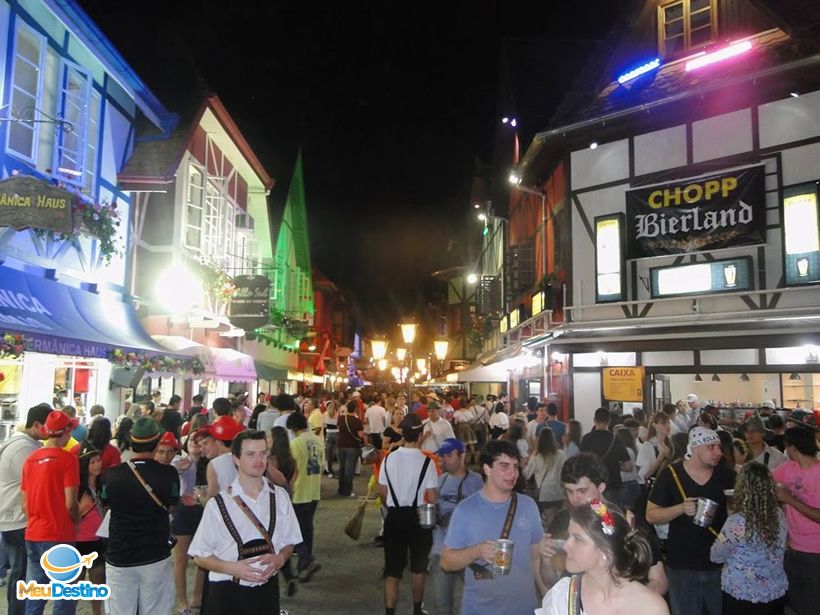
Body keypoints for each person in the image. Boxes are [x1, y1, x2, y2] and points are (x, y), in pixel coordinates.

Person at [188, 430, 303, 615]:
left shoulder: (280, 497)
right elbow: (200, 555)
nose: (259, 460)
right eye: (250, 454)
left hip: (267, 592)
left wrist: (281, 558)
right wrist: (232, 568)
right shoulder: (218, 504)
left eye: (263, 453)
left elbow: (289, 540)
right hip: (227, 593)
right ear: (236, 459)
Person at [540, 453, 668, 596]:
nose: (575, 498)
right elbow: (551, 582)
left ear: (601, 487)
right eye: (569, 491)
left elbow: (659, 581)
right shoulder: (562, 520)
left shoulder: (628, 521)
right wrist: (545, 559)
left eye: (582, 490)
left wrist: (627, 600)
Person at [441, 440, 545, 615]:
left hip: (524, 608)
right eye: (504, 466)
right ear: (487, 469)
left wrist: (547, 594)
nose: (512, 473)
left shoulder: (528, 506)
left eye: (515, 466)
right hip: (479, 609)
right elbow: (446, 562)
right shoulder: (466, 510)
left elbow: (536, 558)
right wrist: (477, 552)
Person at [646, 427, 735, 615]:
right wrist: (680, 508)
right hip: (682, 565)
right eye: (711, 447)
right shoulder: (671, 475)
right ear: (694, 448)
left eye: (719, 447)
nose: (718, 452)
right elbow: (651, 515)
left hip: (720, 563)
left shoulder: (727, 476)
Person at [102, 417, 179, 615]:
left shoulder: (112, 474)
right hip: (155, 554)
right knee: (156, 610)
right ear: (157, 443)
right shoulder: (168, 474)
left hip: (119, 555)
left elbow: (106, 503)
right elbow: (172, 503)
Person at [540, 500, 669, 615]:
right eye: (569, 536)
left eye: (577, 539)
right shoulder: (563, 596)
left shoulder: (649, 607)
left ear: (606, 552)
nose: (566, 546)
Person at [376, 414, 438, 615]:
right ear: (420, 435)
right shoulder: (427, 463)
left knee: (392, 571)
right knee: (419, 569)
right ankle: (417, 610)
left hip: (394, 518)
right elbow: (433, 496)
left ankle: (389, 612)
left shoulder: (389, 459)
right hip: (419, 517)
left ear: (403, 433)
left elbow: (382, 491)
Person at [21, 410, 80, 615]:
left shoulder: (30, 459)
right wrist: (76, 521)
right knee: (64, 595)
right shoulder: (68, 460)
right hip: (60, 534)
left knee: (35, 593)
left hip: (34, 534)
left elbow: (24, 505)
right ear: (66, 432)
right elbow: (71, 503)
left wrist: (36, 523)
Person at [709, 462, 787, 615]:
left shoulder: (738, 522)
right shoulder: (779, 515)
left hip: (744, 593)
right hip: (775, 589)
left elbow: (715, 555)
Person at [0, 403, 50, 615]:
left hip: (12, 518)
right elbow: (34, 485)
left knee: (20, 572)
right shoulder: (25, 448)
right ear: (38, 424)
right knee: (21, 574)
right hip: (18, 520)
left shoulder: (20, 443)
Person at [430, 438, 483, 615]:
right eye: (442, 456)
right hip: (441, 550)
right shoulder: (439, 481)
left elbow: (485, 515)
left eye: (449, 455)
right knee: (441, 604)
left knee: (478, 601)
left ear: (462, 456)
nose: (444, 459)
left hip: (469, 553)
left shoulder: (476, 483)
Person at [772, 425, 820, 615]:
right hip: (792, 548)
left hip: (815, 552)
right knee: (796, 602)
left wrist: (789, 499)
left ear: (791, 447)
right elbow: (765, 480)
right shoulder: (788, 468)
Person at [171, 433, 207, 615]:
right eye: (191, 439)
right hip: (183, 512)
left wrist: (199, 496)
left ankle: (197, 597)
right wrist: (179, 470)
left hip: (204, 512)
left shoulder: (209, 463)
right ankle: (182, 602)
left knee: (203, 557)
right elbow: (171, 484)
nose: (194, 442)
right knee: (181, 559)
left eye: (199, 440)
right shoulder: (178, 461)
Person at [286, 412, 323, 582]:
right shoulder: (316, 440)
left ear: (293, 428)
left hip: (299, 490)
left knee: (294, 529)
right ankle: (304, 564)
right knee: (307, 528)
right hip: (314, 489)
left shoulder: (295, 443)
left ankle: (306, 559)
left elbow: (293, 468)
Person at [75, 445, 106, 615]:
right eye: (92, 462)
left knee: (98, 584)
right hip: (80, 541)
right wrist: (82, 510)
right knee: (75, 587)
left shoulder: (102, 485)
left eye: (99, 460)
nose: (97, 465)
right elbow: (69, 517)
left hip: (98, 540)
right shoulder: (77, 488)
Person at [580, 407, 632, 505]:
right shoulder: (615, 439)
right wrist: (614, 464)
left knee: (594, 517)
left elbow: (581, 464)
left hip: (592, 486)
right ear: (609, 421)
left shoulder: (586, 439)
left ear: (594, 420)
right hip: (613, 485)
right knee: (612, 517)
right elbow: (629, 466)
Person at [523, 427, 566, 527]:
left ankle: (551, 539)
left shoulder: (536, 456)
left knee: (550, 521)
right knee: (558, 520)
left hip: (545, 493)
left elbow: (527, 474)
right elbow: (565, 472)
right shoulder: (561, 454)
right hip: (560, 492)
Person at [200, 416, 245, 506]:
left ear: (218, 442)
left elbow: (211, 502)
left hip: (226, 514)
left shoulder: (215, 464)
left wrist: (199, 495)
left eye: (206, 443)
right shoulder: (248, 457)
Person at [336, 400, 364, 497]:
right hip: (352, 446)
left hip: (340, 445)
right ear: (356, 409)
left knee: (341, 468)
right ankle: (347, 491)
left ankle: (340, 489)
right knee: (349, 470)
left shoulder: (341, 418)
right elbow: (361, 435)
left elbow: (339, 428)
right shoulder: (357, 421)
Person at [615, 426, 641, 512]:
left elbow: (628, 467)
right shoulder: (632, 450)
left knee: (626, 511)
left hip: (626, 485)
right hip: (632, 484)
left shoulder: (626, 451)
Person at [323, 399, 339, 476]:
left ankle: (330, 471)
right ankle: (340, 469)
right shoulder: (338, 414)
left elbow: (324, 425)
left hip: (328, 433)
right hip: (337, 433)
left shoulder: (325, 414)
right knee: (338, 452)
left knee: (329, 453)